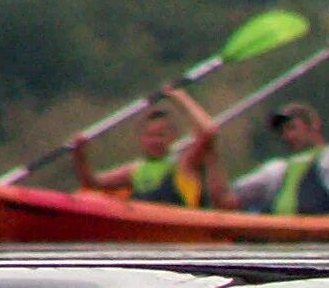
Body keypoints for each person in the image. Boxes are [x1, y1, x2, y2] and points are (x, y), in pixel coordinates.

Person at [222, 35, 329, 216]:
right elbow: (225, 200)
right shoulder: (277, 171)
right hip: (284, 239)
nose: (287, 137)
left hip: (327, 237)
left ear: (313, 124)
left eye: (291, 128)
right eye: (282, 132)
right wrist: (209, 146)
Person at [71, 87, 223, 208]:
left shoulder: (184, 164)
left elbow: (208, 132)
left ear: (172, 137)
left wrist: (179, 97)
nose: (155, 141)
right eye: (150, 136)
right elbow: (91, 183)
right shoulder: (134, 170)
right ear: (141, 139)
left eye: (160, 135)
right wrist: (80, 155)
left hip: (180, 234)